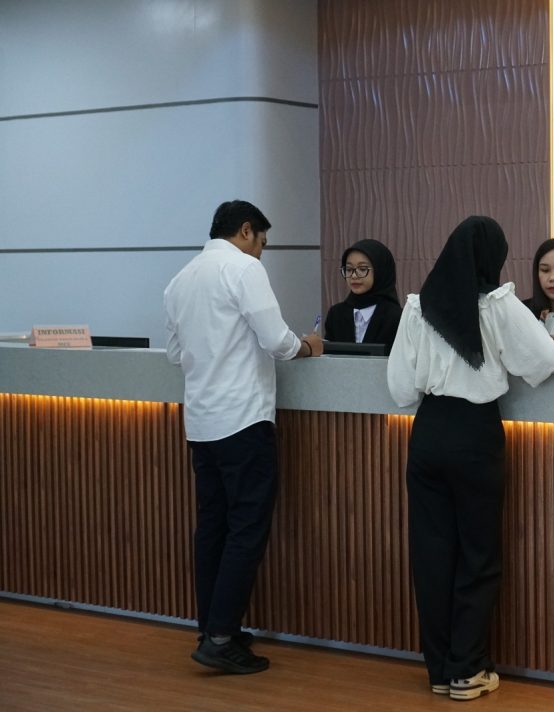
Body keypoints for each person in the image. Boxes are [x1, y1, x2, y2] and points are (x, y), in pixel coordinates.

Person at [387, 216, 554, 700]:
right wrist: (549, 344)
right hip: (474, 434)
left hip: (426, 434)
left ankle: (442, 670)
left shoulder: (417, 307)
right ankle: (469, 668)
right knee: (478, 553)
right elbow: (546, 363)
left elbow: (400, 389)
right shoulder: (498, 304)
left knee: (431, 554)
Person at [163, 200, 324, 675]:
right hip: (244, 420)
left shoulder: (181, 278)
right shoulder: (243, 269)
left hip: (202, 423)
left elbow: (175, 354)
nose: (262, 254)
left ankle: (215, 627)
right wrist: (308, 345)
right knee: (246, 530)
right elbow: (277, 341)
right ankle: (220, 636)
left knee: (212, 526)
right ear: (247, 231)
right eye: (263, 244)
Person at [323, 239, 402, 350]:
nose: (354, 276)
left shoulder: (396, 317)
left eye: (362, 269)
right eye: (349, 269)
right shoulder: (336, 314)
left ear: (380, 271)